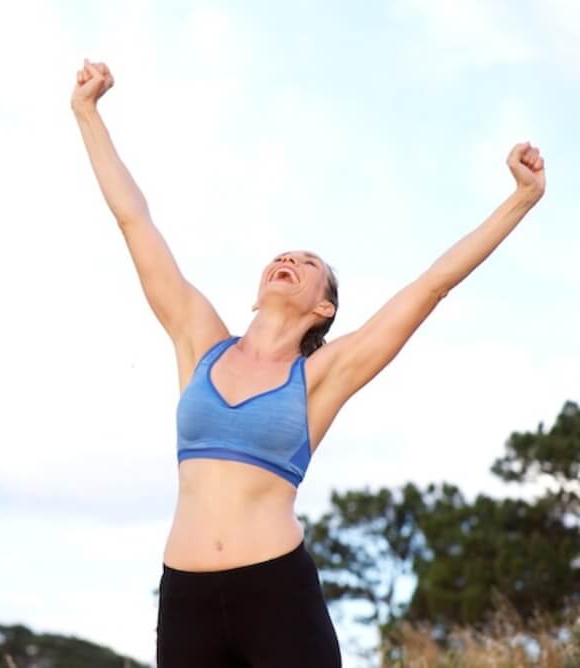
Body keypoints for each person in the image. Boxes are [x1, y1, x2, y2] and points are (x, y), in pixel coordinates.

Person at [70, 58, 546, 667]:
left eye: (307, 262)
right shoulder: (199, 340)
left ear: (324, 307)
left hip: (276, 595)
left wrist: (521, 199)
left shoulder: (321, 377)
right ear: (257, 291)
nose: (287, 260)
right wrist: (87, 113)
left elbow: (432, 286)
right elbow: (134, 220)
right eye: (281, 256)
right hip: (185, 598)